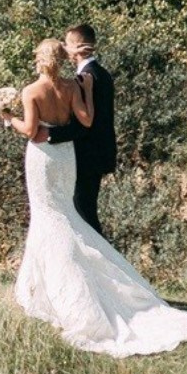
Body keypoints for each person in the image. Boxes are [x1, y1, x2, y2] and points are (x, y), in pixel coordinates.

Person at [0, 36, 187, 357]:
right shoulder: (72, 87)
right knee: (65, 212)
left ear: (38, 59)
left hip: (43, 158)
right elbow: (87, 121)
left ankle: (58, 290)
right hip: (67, 158)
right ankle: (57, 283)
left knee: (48, 215)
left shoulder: (31, 91)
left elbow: (31, 131)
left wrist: (8, 119)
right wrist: (88, 93)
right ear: (62, 60)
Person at [44, 24, 116, 237]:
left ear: (77, 47)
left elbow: (85, 124)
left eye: (67, 44)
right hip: (99, 152)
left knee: (85, 214)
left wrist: (50, 135)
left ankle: (105, 264)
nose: (64, 48)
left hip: (88, 155)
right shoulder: (101, 73)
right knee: (85, 211)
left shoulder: (86, 78)